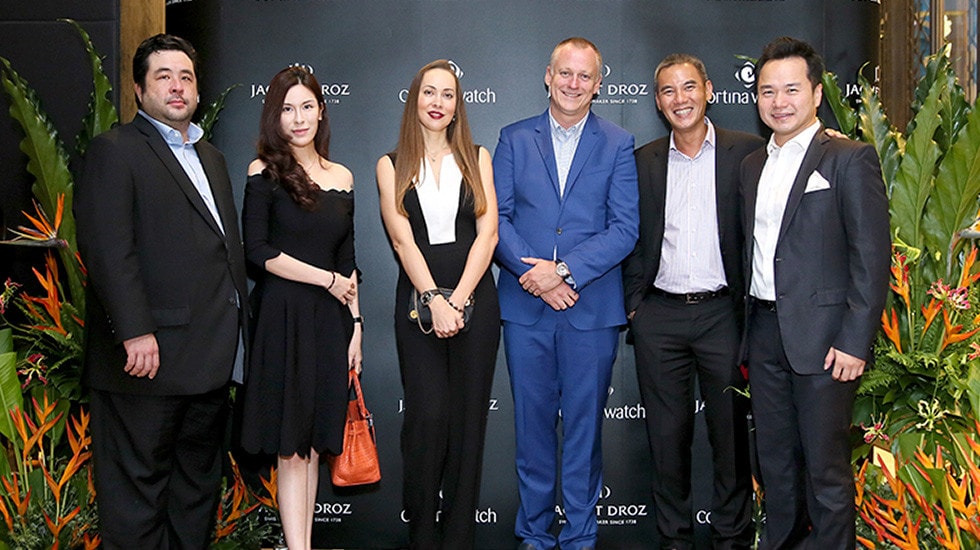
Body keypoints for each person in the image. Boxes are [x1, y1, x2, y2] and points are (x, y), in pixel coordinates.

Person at [74, 34, 248, 549]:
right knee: (135, 502)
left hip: (209, 364)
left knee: (194, 497)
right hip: (145, 362)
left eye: (186, 77)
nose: (177, 86)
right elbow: (108, 249)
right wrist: (135, 331)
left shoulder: (211, 157)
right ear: (138, 89)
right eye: (163, 76)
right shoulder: (115, 150)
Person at [741, 36, 889, 548]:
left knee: (826, 471)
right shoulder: (751, 165)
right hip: (763, 333)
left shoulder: (849, 159)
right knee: (776, 466)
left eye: (790, 89)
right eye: (767, 91)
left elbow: (871, 259)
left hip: (826, 340)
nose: (779, 102)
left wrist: (854, 340)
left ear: (816, 92)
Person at [493, 37, 639, 550]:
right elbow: (498, 219)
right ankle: (533, 536)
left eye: (585, 76)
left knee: (583, 436)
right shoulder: (513, 139)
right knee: (532, 435)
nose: (574, 84)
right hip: (526, 307)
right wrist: (535, 276)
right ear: (548, 76)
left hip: (590, 309)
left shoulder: (619, 143)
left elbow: (624, 229)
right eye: (565, 73)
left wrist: (565, 273)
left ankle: (579, 538)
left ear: (598, 84)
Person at [622, 53, 761, 550]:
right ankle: (673, 540)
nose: (679, 99)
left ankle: (732, 539)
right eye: (667, 91)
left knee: (730, 440)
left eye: (688, 87)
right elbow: (631, 238)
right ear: (658, 102)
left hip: (723, 315)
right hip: (659, 316)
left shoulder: (750, 152)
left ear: (708, 90)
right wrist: (636, 306)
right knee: (666, 442)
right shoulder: (643, 160)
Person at [376, 59, 499, 550]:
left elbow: (488, 234)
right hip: (417, 305)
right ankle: (423, 536)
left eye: (447, 95)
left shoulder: (478, 156)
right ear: (415, 99)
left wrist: (460, 301)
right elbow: (403, 241)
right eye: (429, 92)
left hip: (476, 303)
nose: (437, 102)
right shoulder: (391, 164)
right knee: (426, 421)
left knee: (469, 426)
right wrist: (434, 301)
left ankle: (459, 540)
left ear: (456, 105)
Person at [238, 66, 361, 550]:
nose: (298, 117)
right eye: (287, 109)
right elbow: (258, 252)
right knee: (290, 450)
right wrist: (325, 280)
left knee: (311, 447)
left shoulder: (343, 176)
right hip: (282, 319)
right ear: (276, 117)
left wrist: (357, 327)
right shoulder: (262, 172)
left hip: (331, 325)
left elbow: (349, 262)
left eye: (306, 106)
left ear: (321, 110)